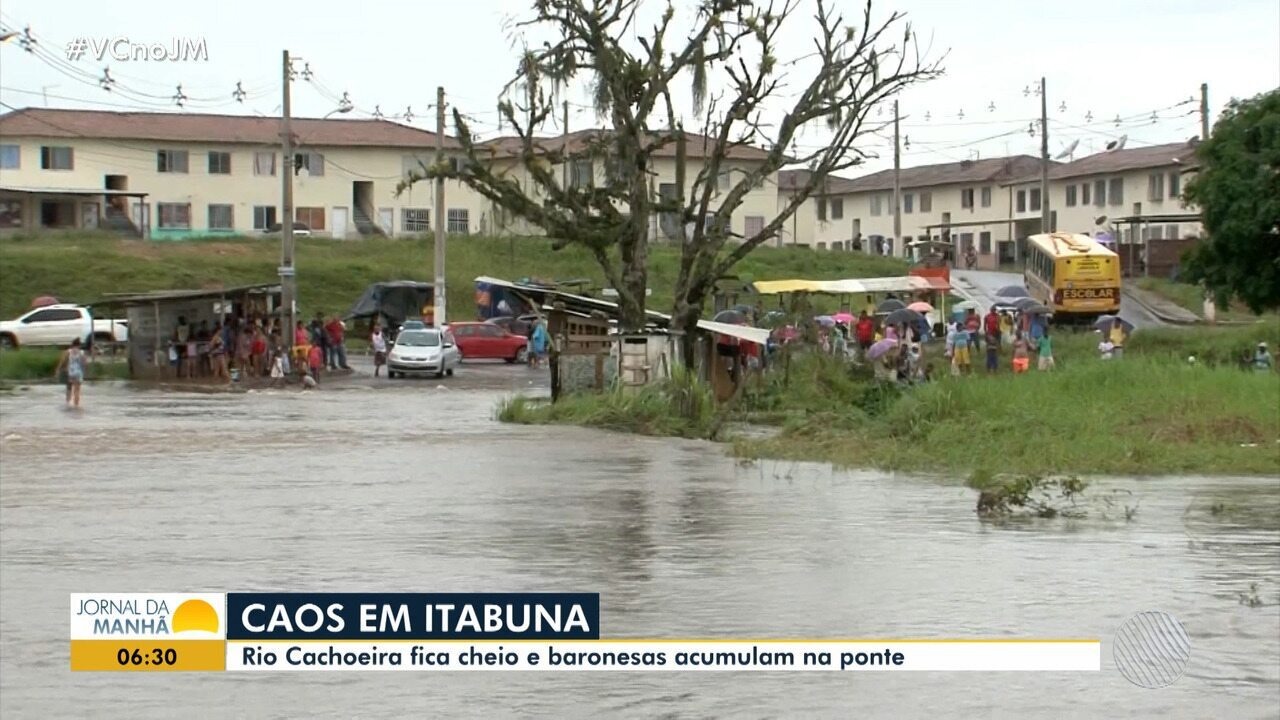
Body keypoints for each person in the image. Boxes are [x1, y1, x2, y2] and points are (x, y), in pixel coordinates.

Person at [54, 337, 86, 408]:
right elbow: (84, 363)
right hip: (78, 372)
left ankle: (68, 404)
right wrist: (84, 372)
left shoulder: (68, 352)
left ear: (72, 344)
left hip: (70, 372)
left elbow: (61, 361)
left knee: (69, 388)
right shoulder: (82, 352)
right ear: (79, 345)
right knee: (77, 390)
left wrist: (57, 370)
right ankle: (76, 406)